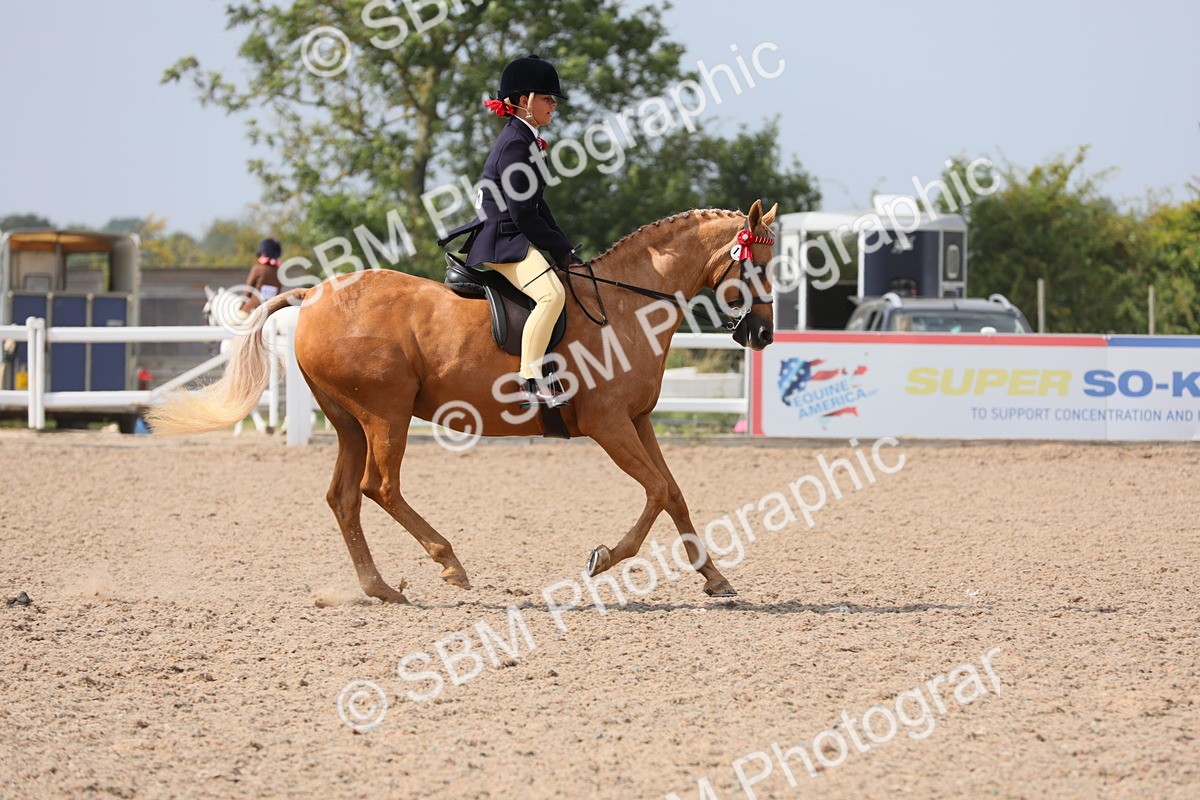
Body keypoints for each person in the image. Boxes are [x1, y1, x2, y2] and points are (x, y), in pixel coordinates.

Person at [448, 54, 578, 408]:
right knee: (552, 295)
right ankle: (531, 379)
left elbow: (540, 205)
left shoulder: (526, 139)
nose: (554, 106)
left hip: (512, 232)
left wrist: (564, 246)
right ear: (525, 102)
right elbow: (523, 213)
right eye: (548, 99)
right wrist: (558, 248)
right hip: (504, 239)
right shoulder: (517, 144)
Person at [242, 237, 283, 314]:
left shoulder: (257, 269)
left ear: (263, 253)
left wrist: (241, 307)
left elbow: (248, 290)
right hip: (271, 311)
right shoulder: (279, 273)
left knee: (232, 323)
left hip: (253, 309)